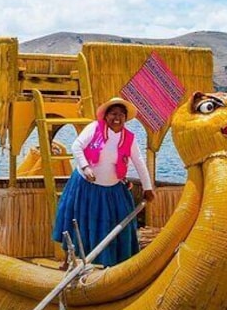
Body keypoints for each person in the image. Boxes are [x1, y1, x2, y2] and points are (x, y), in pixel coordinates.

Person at [52, 96, 155, 268]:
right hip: (85, 187)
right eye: (113, 114)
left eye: (121, 114)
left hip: (112, 190)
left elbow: (139, 162)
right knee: (77, 222)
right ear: (106, 116)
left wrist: (148, 187)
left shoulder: (129, 138)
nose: (117, 118)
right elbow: (76, 147)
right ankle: (68, 261)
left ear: (125, 118)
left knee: (112, 226)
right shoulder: (94, 128)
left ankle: (111, 265)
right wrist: (85, 167)